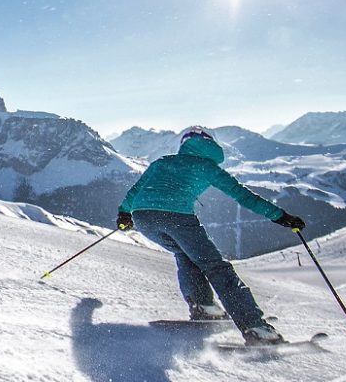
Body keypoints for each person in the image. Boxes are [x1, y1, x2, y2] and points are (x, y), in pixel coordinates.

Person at [116, 126, 306, 345]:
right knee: (216, 267)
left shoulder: (162, 162)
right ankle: (255, 327)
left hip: (143, 218)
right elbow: (244, 196)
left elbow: (136, 190)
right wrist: (281, 217)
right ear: (211, 144)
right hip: (177, 218)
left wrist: (124, 214)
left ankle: (204, 306)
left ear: (185, 143)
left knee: (184, 254)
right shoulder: (208, 167)